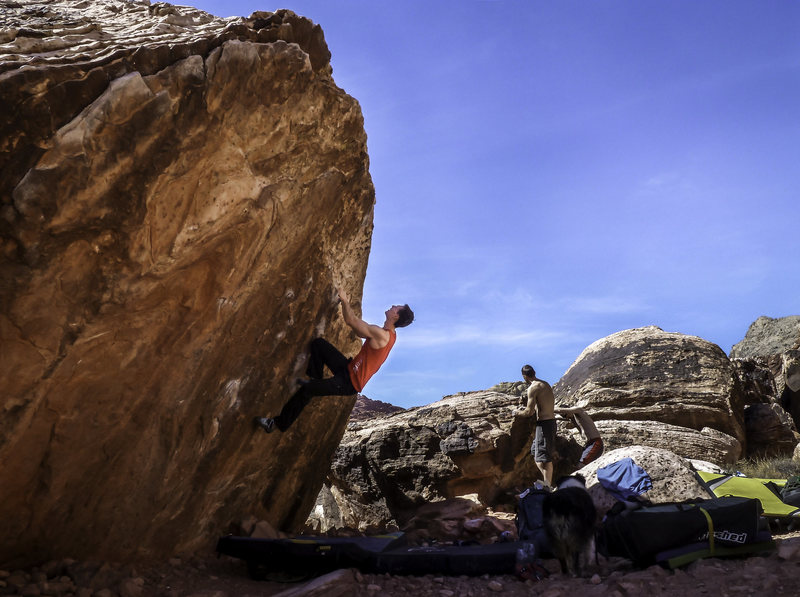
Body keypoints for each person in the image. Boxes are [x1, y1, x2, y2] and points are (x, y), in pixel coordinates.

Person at [254, 287, 414, 433]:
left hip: (349, 383)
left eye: (396, 307)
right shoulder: (387, 334)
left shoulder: (383, 335)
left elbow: (351, 321)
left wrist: (344, 300)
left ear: (396, 315)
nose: (393, 305)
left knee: (307, 390)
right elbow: (360, 333)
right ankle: (315, 379)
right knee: (319, 345)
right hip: (348, 369)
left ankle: (275, 424)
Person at [515, 364, 556, 487]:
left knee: (542, 458)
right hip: (551, 423)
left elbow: (529, 412)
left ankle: (547, 485)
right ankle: (547, 483)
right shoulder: (545, 384)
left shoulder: (533, 388)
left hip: (544, 425)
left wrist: (516, 413)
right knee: (536, 452)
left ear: (524, 376)